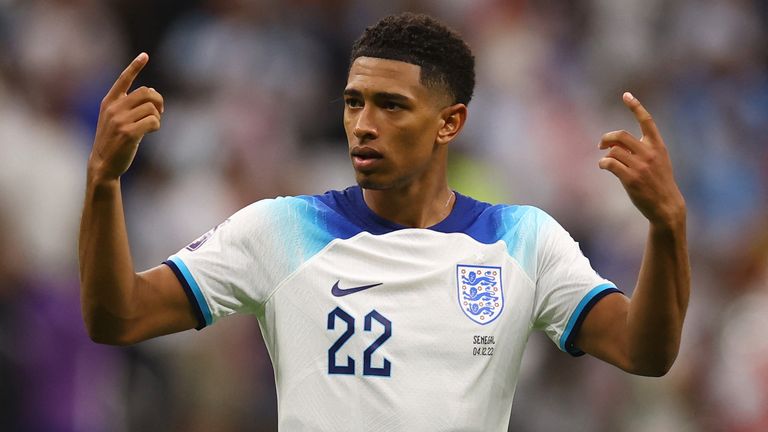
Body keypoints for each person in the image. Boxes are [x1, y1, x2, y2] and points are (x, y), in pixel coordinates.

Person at [79, 12, 690, 431]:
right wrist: (104, 183)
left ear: (449, 123)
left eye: (391, 106)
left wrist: (667, 230)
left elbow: (645, 351)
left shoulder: (525, 241)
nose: (363, 124)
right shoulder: (278, 230)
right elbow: (119, 316)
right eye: (353, 102)